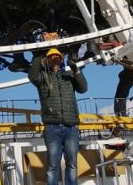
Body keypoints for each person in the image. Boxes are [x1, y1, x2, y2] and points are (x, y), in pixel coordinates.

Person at [28, 48, 88, 185]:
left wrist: (77, 71)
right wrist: (38, 56)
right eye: (52, 58)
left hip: (71, 127)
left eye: (57, 58)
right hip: (52, 127)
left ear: (61, 60)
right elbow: (32, 75)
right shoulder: (43, 78)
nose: (55, 61)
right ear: (46, 61)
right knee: (53, 165)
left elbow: (83, 89)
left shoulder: (68, 76)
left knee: (72, 164)